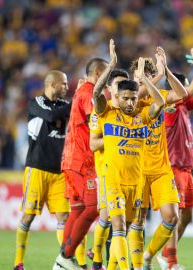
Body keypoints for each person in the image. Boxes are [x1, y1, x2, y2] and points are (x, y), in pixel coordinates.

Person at [90, 52, 166, 270]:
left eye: (134, 98)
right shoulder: (107, 113)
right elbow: (96, 92)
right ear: (118, 97)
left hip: (137, 183)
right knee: (119, 226)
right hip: (113, 181)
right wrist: (112, 64)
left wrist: (146, 79)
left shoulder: (142, 116)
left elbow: (159, 102)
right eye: (126, 98)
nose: (131, 102)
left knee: (132, 227)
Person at [128, 47, 188, 270]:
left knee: (171, 218)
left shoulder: (159, 96)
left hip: (161, 168)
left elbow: (182, 94)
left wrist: (167, 71)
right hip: (137, 169)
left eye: (143, 78)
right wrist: (152, 78)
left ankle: (147, 256)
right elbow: (143, 94)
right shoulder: (128, 101)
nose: (139, 82)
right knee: (137, 221)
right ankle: (137, 265)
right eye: (136, 78)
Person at [157, 46, 193, 270]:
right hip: (172, 165)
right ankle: (171, 262)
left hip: (186, 167)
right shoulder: (170, 102)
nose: (189, 88)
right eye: (185, 84)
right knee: (175, 216)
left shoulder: (183, 105)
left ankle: (164, 253)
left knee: (187, 216)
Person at [13, 70, 71, 270]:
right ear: (52, 85)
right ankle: (18, 262)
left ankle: (65, 260)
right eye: (63, 84)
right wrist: (74, 104)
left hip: (60, 171)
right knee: (28, 217)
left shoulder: (65, 105)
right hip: (37, 168)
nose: (67, 87)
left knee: (64, 218)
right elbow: (51, 115)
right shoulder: (35, 103)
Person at [55, 56, 109, 269]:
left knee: (77, 210)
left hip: (70, 158)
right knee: (94, 207)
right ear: (98, 74)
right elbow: (97, 117)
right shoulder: (89, 93)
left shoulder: (81, 91)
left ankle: (62, 261)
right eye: (105, 75)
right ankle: (66, 256)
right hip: (82, 161)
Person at [90, 67, 130, 270]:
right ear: (109, 87)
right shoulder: (102, 112)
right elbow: (93, 144)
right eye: (118, 84)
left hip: (128, 174)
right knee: (108, 221)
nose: (121, 89)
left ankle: (103, 261)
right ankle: (97, 260)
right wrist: (115, 137)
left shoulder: (131, 111)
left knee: (120, 224)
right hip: (106, 172)